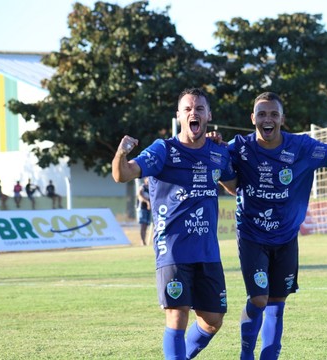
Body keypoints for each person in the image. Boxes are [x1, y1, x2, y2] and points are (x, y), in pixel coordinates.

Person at [223, 92, 327, 360]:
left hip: (287, 238)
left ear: (282, 119)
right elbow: (218, 165)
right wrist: (215, 145)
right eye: (262, 113)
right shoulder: (239, 147)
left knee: (277, 303)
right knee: (259, 299)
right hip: (253, 236)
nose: (268, 119)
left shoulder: (302, 147)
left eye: (274, 114)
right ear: (253, 118)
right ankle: (245, 355)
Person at [111, 88, 237, 360]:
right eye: (188, 109)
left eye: (200, 109)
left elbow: (235, 185)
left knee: (213, 320)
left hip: (208, 252)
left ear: (208, 115)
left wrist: (227, 149)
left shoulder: (217, 153)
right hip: (174, 250)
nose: (194, 113)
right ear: (179, 116)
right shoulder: (164, 150)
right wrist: (121, 152)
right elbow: (123, 174)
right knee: (177, 316)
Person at [137, 177, 151, 246]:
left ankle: (144, 241)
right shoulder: (142, 187)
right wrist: (147, 202)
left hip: (148, 209)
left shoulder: (150, 188)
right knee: (143, 225)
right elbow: (140, 195)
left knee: (146, 226)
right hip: (142, 208)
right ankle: (142, 241)